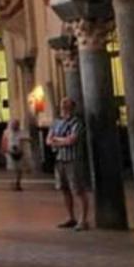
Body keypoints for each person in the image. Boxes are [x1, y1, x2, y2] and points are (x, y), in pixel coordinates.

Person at [47, 97, 90, 230]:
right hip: (60, 159)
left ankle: (83, 220)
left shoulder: (76, 122)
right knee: (64, 189)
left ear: (72, 106)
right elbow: (48, 140)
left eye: (66, 103)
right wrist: (62, 140)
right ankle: (71, 217)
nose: (63, 105)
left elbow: (72, 140)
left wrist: (57, 140)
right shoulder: (56, 122)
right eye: (62, 102)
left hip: (73, 159)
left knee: (78, 190)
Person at [1, 118, 32, 191]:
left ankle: (18, 183)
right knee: (12, 169)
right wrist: (4, 150)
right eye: (13, 124)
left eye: (16, 124)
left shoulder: (22, 132)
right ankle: (13, 183)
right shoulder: (6, 132)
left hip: (20, 152)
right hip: (10, 152)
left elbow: (29, 139)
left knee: (19, 169)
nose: (14, 126)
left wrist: (24, 140)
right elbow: (4, 141)